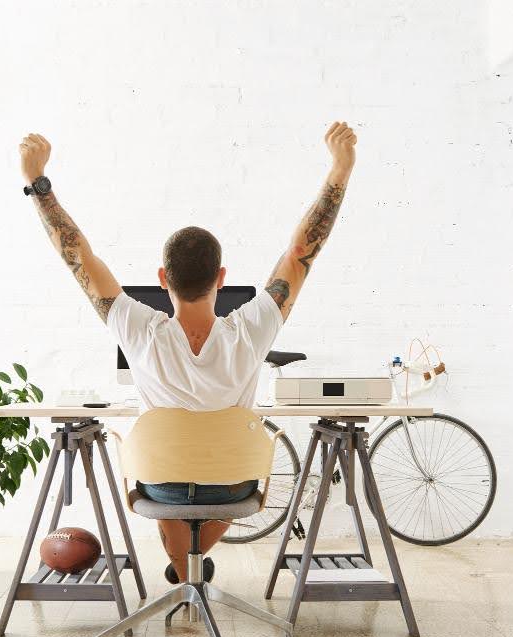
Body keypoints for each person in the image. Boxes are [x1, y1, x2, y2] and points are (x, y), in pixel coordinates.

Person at [18, 122, 357, 583]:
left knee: (167, 478)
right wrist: (341, 168)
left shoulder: (138, 329)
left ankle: (185, 571)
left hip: (161, 483)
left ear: (162, 278)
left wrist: (37, 183)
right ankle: (190, 571)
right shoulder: (252, 328)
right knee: (220, 477)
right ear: (221, 278)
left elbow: (79, 257)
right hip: (235, 482)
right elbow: (301, 253)